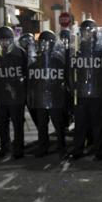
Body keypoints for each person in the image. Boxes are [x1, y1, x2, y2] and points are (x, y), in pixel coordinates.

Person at [70, 19, 102, 160]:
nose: (86, 34)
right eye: (84, 31)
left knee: (98, 125)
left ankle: (99, 150)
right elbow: (70, 72)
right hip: (81, 93)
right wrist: (73, 88)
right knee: (80, 124)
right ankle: (78, 149)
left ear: (95, 32)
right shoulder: (76, 50)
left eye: (89, 31)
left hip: (99, 94)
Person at [28, 30, 69, 158]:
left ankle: (62, 147)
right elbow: (32, 81)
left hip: (55, 97)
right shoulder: (36, 62)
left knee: (58, 124)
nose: (44, 45)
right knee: (42, 124)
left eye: (47, 43)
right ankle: (43, 147)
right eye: (42, 42)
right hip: (41, 97)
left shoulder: (58, 61)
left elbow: (64, 79)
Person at [0, 27, 28, 159]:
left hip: (16, 96)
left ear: (11, 40)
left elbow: (26, 73)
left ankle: (18, 149)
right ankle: (4, 147)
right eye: (1, 40)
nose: (4, 43)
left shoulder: (20, 53)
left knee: (17, 124)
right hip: (1, 96)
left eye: (6, 40)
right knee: (2, 124)